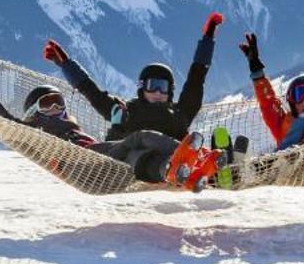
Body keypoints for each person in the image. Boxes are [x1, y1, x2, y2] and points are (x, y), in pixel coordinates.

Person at [0, 51, 209, 187]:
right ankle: (191, 155)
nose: (57, 109)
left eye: (59, 102)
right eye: (48, 104)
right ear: (33, 113)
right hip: (83, 164)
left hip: (100, 160)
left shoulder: (73, 128)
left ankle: (173, 170)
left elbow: (93, 97)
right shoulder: (32, 131)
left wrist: (115, 127)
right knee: (141, 137)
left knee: (137, 157)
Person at [44, 12, 233, 187]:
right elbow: (90, 91)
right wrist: (66, 64)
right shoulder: (127, 110)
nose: (159, 92)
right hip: (130, 168)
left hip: (173, 164)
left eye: (164, 87)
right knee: (140, 143)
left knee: (147, 149)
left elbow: (197, 76)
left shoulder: (180, 113)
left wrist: (208, 37)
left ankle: (216, 170)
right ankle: (188, 163)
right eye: (153, 85)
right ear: (142, 88)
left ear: (171, 91)